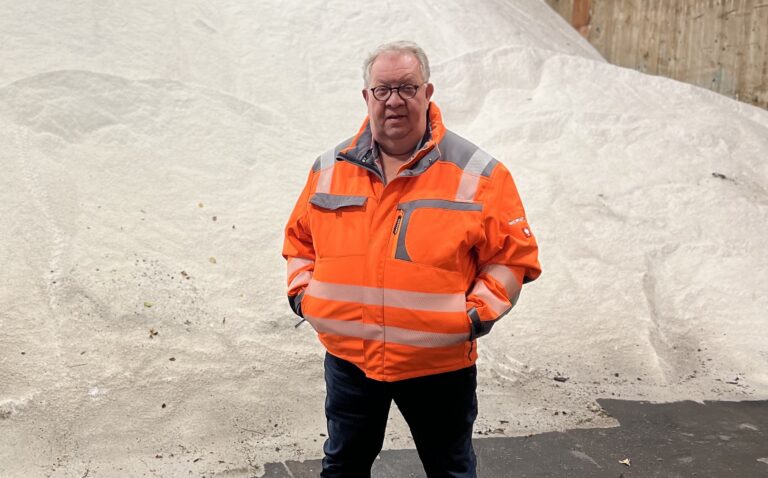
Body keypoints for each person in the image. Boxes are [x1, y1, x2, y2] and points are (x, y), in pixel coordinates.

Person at [282, 40, 541, 478]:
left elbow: (512, 258)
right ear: (367, 97)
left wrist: (472, 316)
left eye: (407, 87)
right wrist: (304, 297)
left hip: (437, 365)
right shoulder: (329, 168)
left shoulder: (479, 174)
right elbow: (298, 242)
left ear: (428, 92)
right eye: (383, 90)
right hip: (350, 360)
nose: (394, 100)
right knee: (342, 467)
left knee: (450, 470)